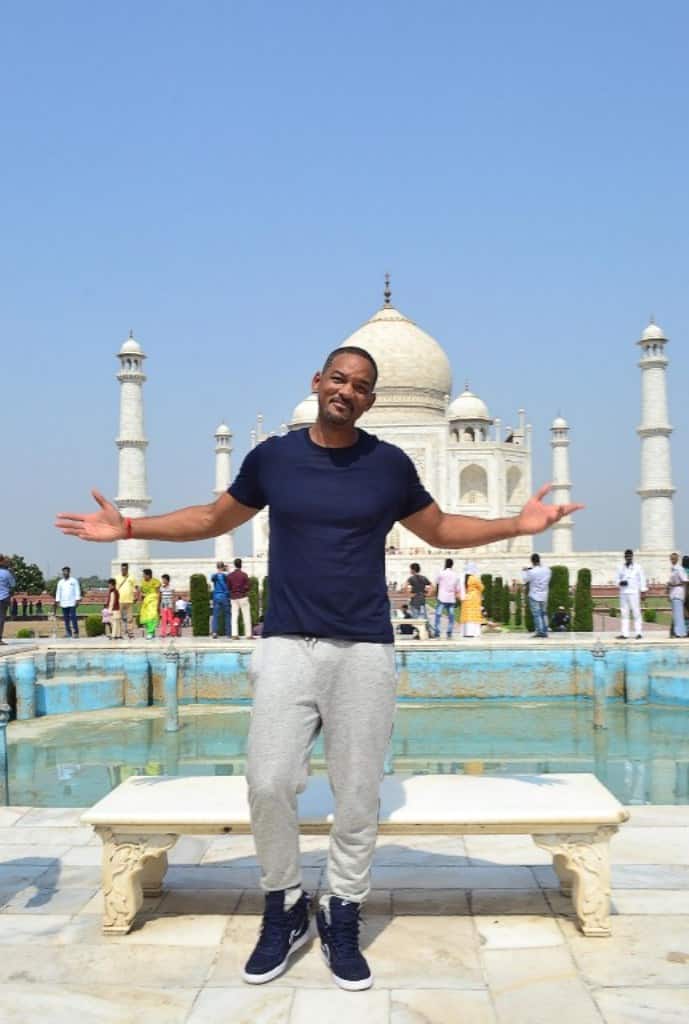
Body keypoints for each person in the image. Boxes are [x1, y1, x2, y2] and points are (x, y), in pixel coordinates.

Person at [55, 344, 581, 992]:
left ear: (371, 399)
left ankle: (342, 905)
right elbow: (213, 518)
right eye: (338, 379)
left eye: (360, 385)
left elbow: (440, 528)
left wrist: (515, 524)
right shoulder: (274, 458)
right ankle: (283, 901)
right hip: (287, 643)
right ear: (318, 382)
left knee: (358, 792)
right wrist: (131, 528)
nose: (346, 391)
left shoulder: (389, 464)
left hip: (363, 646)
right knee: (268, 780)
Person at [616, 548, 647, 640]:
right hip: (624, 593)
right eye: (627, 556)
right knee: (624, 613)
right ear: (624, 557)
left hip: (634, 592)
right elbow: (616, 579)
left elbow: (642, 579)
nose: (628, 558)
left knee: (636, 612)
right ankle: (625, 634)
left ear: (632, 557)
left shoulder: (638, 567)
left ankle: (638, 633)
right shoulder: (620, 567)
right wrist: (620, 583)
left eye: (630, 556)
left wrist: (643, 591)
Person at [522, 553, 551, 638]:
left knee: (537, 614)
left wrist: (525, 571)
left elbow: (525, 580)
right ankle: (545, 630)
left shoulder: (531, 572)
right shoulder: (547, 570)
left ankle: (540, 631)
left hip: (534, 595)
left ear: (532, 561)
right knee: (544, 613)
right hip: (544, 594)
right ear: (539, 560)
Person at [433, 557, 461, 639]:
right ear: (452, 565)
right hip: (451, 598)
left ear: (445, 564)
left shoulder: (441, 573)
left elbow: (436, 582)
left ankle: (437, 632)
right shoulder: (455, 575)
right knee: (451, 616)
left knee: (438, 615)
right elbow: (457, 588)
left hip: (442, 597)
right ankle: (449, 632)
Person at [227, 557, 252, 639]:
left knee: (234, 617)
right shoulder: (244, 575)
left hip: (233, 597)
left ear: (234, 565)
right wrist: (244, 590)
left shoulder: (230, 576)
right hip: (242, 596)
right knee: (246, 616)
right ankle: (248, 635)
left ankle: (234, 635)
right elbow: (248, 587)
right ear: (241, 565)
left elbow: (228, 587)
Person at [55, 566, 81, 638]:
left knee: (73, 617)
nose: (65, 573)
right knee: (66, 619)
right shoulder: (60, 582)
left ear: (69, 572)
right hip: (63, 603)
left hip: (72, 602)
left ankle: (76, 632)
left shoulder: (74, 581)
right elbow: (58, 592)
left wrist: (77, 599)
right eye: (64, 572)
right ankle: (68, 633)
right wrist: (57, 601)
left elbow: (77, 590)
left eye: (66, 571)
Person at [406, 562, 432, 634]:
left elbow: (404, 586)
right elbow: (432, 586)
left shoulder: (411, 578)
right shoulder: (424, 578)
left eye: (410, 569)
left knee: (416, 618)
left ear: (413, 570)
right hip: (422, 600)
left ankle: (419, 633)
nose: (410, 571)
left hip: (414, 601)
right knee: (424, 617)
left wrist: (409, 594)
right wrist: (428, 594)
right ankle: (427, 632)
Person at [459, 562, 484, 637]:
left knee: (466, 615)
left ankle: (465, 632)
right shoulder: (474, 578)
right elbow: (482, 587)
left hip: (466, 597)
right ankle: (474, 632)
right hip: (474, 598)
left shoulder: (463, 579)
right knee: (474, 615)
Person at [115, 563, 139, 639]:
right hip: (120, 600)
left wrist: (136, 596)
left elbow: (136, 587)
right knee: (119, 617)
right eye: (122, 569)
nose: (123, 570)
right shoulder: (117, 577)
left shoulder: (132, 577)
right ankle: (120, 633)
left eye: (125, 569)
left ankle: (130, 633)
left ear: (127, 569)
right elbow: (115, 589)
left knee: (129, 618)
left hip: (129, 600)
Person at [667, 552, 687, 639]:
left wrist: (685, 594)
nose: (673, 560)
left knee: (678, 614)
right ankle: (678, 632)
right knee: (676, 614)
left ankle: (680, 633)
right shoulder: (673, 569)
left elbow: (685, 581)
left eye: (674, 558)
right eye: (671, 558)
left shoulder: (679, 569)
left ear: (677, 559)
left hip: (678, 592)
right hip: (673, 592)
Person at [210, 561, 231, 639]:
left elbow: (213, 579)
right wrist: (228, 571)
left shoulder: (214, 576)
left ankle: (214, 632)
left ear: (217, 567)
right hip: (224, 596)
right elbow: (228, 581)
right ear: (223, 567)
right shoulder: (225, 576)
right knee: (227, 615)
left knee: (215, 615)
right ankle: (228, 633)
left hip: (216, 596)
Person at [139, 569, 161, 640]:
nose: (143, 576)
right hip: (146, 601)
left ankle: (150, 633)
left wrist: (158, 604)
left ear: (148, 575)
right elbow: (141, 592)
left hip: (153, 601)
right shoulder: (142, 582)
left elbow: (158, 593)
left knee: (152, 616)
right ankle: (152, 632)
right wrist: (141, 601)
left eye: (144, 575)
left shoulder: (155, 581)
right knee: (145, 617)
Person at [0, 555, 15, 646]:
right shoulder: (7, 573)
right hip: (3, 597)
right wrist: (12, 573)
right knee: (1, 618)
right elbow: (13, 584)